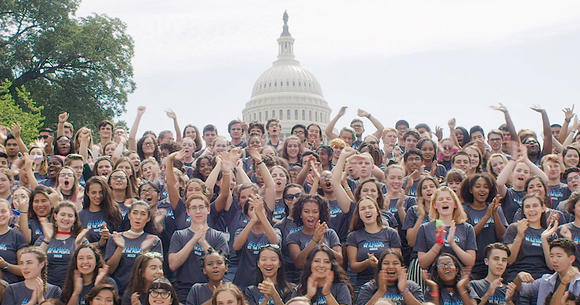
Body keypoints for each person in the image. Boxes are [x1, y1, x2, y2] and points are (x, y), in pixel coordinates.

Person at [168, 193, 228, 303]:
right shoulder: (179, 235)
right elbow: (173, 264)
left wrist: (203, 242)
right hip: (185, 289)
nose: (198, 211)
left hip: (213, 288)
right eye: (194, 208)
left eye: (201, 207)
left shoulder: (218, 236)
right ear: (188, 212)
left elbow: (220, 264)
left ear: (208, 210)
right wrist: (194, 239)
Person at [105, 200, 163, 294]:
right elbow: (110, 270)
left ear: (148, 218)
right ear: (129, 215)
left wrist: (145, 250)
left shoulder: (153, 240)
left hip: (143, 293)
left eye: (143, 214)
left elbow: (155, 272)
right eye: (135, 213)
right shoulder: (115, 238)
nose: (138, 217)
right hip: (117, 292)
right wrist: (120, 248)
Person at [414, 186, 477, 269]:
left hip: (460, 277)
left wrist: (452, 244)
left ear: (455, 204)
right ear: (435, 205)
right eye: (440, 199)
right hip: (434, 276)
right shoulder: (425, 228)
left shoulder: (467, 228)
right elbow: (422, 263)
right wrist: (438, 244)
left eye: (448, 199)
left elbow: (470, 262)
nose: (444, 201)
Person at [345, 197, 401, 289]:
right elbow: (353, 266)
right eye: (362, 209)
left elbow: (398, 262)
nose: (367, 211)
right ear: (358, 214)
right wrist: (367, 263)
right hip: (362, 285)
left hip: (389, 284)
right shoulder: (353, 236)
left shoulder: (391, 233)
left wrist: (380, 265)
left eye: (370, 207)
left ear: (377, 212)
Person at [459, 173, 507, 278]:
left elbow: (503, 236)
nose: (482, 190)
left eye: (486, 187)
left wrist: (494, 214)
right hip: (473, 266)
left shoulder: (496, 208)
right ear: (471, 190)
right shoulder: (464, 210)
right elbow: (467, 236)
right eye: (478, 186)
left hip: (493, 264)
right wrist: (486, 216)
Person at [506, 239, 580, 305]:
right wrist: (519, 277)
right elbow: (521, 289)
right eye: (551, 256)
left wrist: (563, 283)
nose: (554, 260)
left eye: (559, 256)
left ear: (571, 259)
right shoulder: (545, 280)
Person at [503, 193, 557, 281]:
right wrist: (520, 235)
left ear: (543, 208)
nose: (531, 210)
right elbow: (509, 260)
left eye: (535, 206)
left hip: (542, 279)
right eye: (527, 206)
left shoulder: (550, 234)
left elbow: (551, 266)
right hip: (518, 276)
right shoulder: (514, 228)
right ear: (523, 210)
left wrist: (544, 239)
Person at [232, 196, 281, 289]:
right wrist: (253, 220)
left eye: (260, 208)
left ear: (266, 213)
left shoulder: (275, 231)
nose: (257, 211)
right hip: (244, 283)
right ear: (247, 215)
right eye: (252, 209)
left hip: (267, 284)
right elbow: (236, 246)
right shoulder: (241, 231)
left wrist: (261, 215)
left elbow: (275, 243)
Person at [36, 201, 88, 287]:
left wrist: (78, 244)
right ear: (55, 216)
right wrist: (47, 239)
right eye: (63, 214)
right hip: (46, 287)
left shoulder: (80, 239)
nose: (66, 218)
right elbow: (35, 260)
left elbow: (85, 264)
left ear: (75, 219)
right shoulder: (44, 238)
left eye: (70, 216)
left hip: (71, 286)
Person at [286, 195, 342, 270]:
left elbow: (340, 261)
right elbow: (299, 264)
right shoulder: (293, 236)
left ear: (320, 214)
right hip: (303, 279)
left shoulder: (330, 233)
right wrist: (314, 240)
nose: (311, 215)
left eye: (315, 212)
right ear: (300, 214)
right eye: (306, 211)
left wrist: (322, 245)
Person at [355, 250, 424, 305]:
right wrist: (381, 291)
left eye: (395, 263)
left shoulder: (412, 287)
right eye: (386, 263)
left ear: (402, 268)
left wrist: (404, 291)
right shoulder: (369, 287)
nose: (391, 267)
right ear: (380, 268)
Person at [79, 177, 122, 251]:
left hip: (110, 257)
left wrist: (110, 237)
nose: (98, 196)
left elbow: (123, 238)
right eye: (93, 192)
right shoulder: (80, 215)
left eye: (101, 192)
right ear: (87, 192)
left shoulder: (114, 211)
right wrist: (99, 243)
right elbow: (77, 244)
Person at [0, 198, 26, 283]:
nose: (0, 215)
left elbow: (24, 269)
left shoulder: (17, 236)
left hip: (10, 289)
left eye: (3, 211)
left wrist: (5, 265)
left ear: (11, 213)